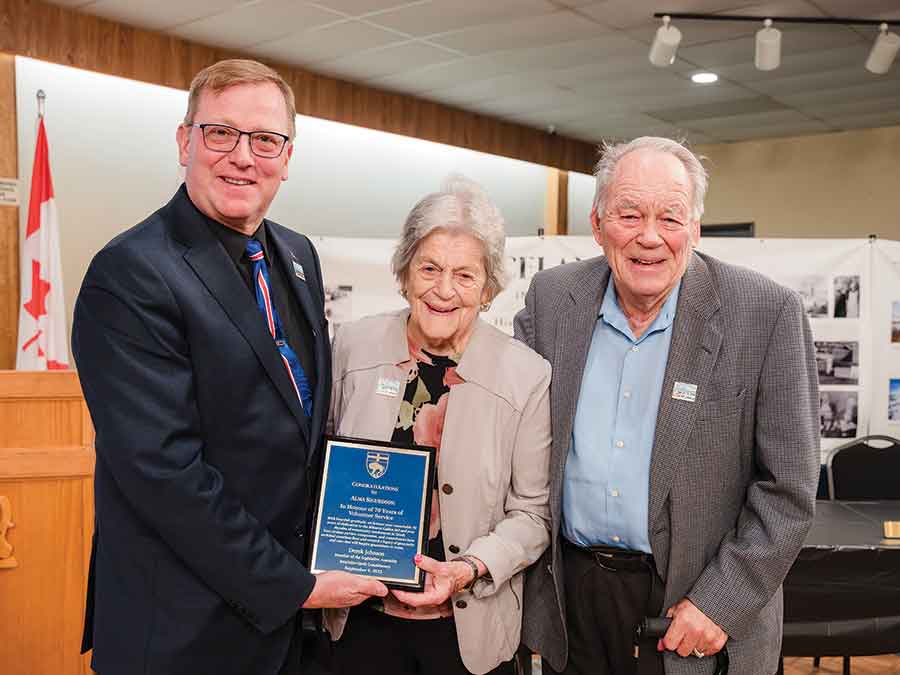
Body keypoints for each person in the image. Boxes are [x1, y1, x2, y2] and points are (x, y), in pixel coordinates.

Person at [72, 59, 386, 675]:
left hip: (283, 629)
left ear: (288, 156)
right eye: (222, 133)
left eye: (266, 140)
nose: (244, 157)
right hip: (181, 628)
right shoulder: (132, 273)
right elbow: (166, 474)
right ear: (186, 140)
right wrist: (293, 587)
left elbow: (295, 422)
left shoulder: (296, 254)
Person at [515, 137, 819, 675]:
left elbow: (788, 489)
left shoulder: (766, 314)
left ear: (696, 229)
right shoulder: (551, 300)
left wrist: (719, 603)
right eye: (629, 214)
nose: (649, 237)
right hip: (577, 600)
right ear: (598, 223)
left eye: (670, 218)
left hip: (694, 610)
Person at [325, 176, 552, 675]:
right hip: (359, 619)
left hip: (464, 631)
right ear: (404, 271)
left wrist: (469, 569)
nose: (443, 290)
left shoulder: (525, 375)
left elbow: (533, 515)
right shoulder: (352, 347)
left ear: (489, 288)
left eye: (465, 276)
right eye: (429, 268)